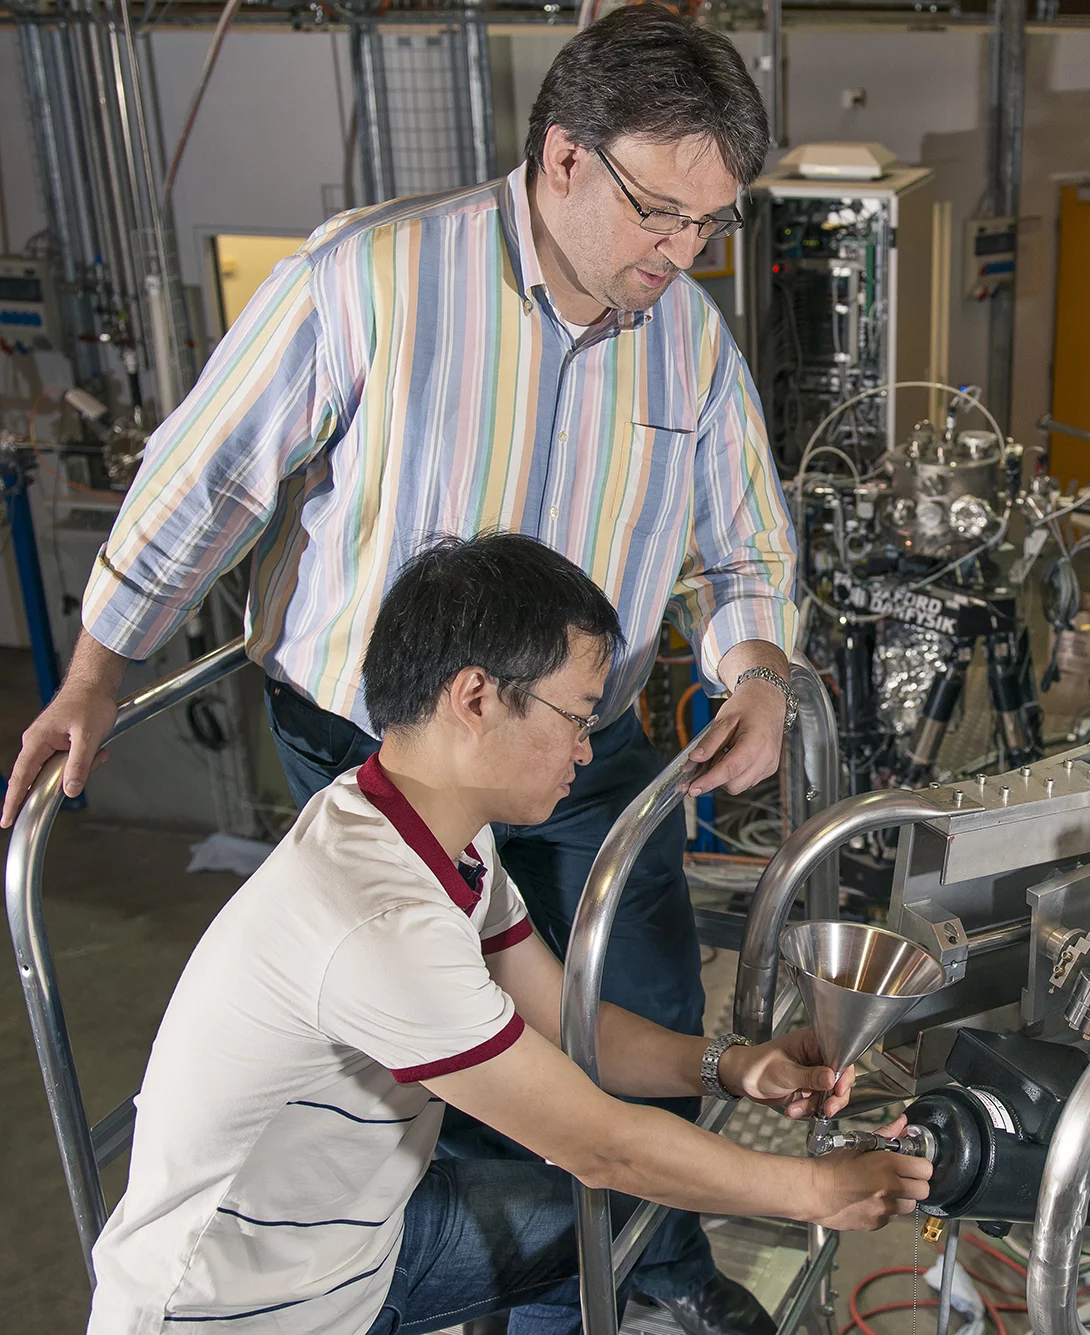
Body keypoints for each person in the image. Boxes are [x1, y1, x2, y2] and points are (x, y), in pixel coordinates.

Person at [4, 10, 797, 1331]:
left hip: (585, 745)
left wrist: (758, 667)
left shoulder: (691, 342)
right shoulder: (372, 278)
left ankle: (651, 1279)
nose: (680, 253)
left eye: (709, 226)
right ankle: (526, 1286)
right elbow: (205, 485)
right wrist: (96, 670)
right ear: (564, 157)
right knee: (461, 1059)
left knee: (639, 994)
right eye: (660, 213)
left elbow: (746, 547)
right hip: (391, 747)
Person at [86, 533, 932, 1335]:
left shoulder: (436, 833)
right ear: (476, 698)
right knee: (616, 1184)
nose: (585, 752)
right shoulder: (377, 917)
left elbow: (565, 1020)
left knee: (607, 1226)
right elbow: (603, 1146)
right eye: (577, 717)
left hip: (365, 1242)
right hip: (246, 1308)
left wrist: (733, 1066)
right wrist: (818, 1191)